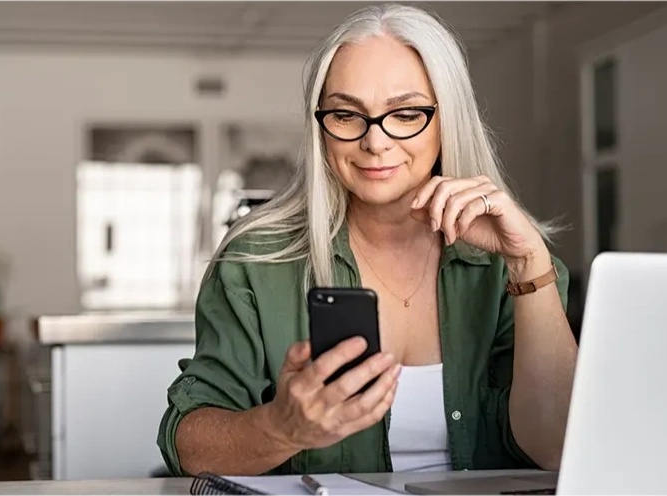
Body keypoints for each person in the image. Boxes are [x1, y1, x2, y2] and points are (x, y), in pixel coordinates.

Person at [157, 3, 578, 476]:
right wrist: (281, 428)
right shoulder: (256, 261)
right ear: (321, 128)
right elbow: (188, 446)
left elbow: (560, 448)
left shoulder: (515, 267)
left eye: (405, 114)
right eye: (346, 115)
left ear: (447, 119)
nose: (375, 142)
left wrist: (529, 265)